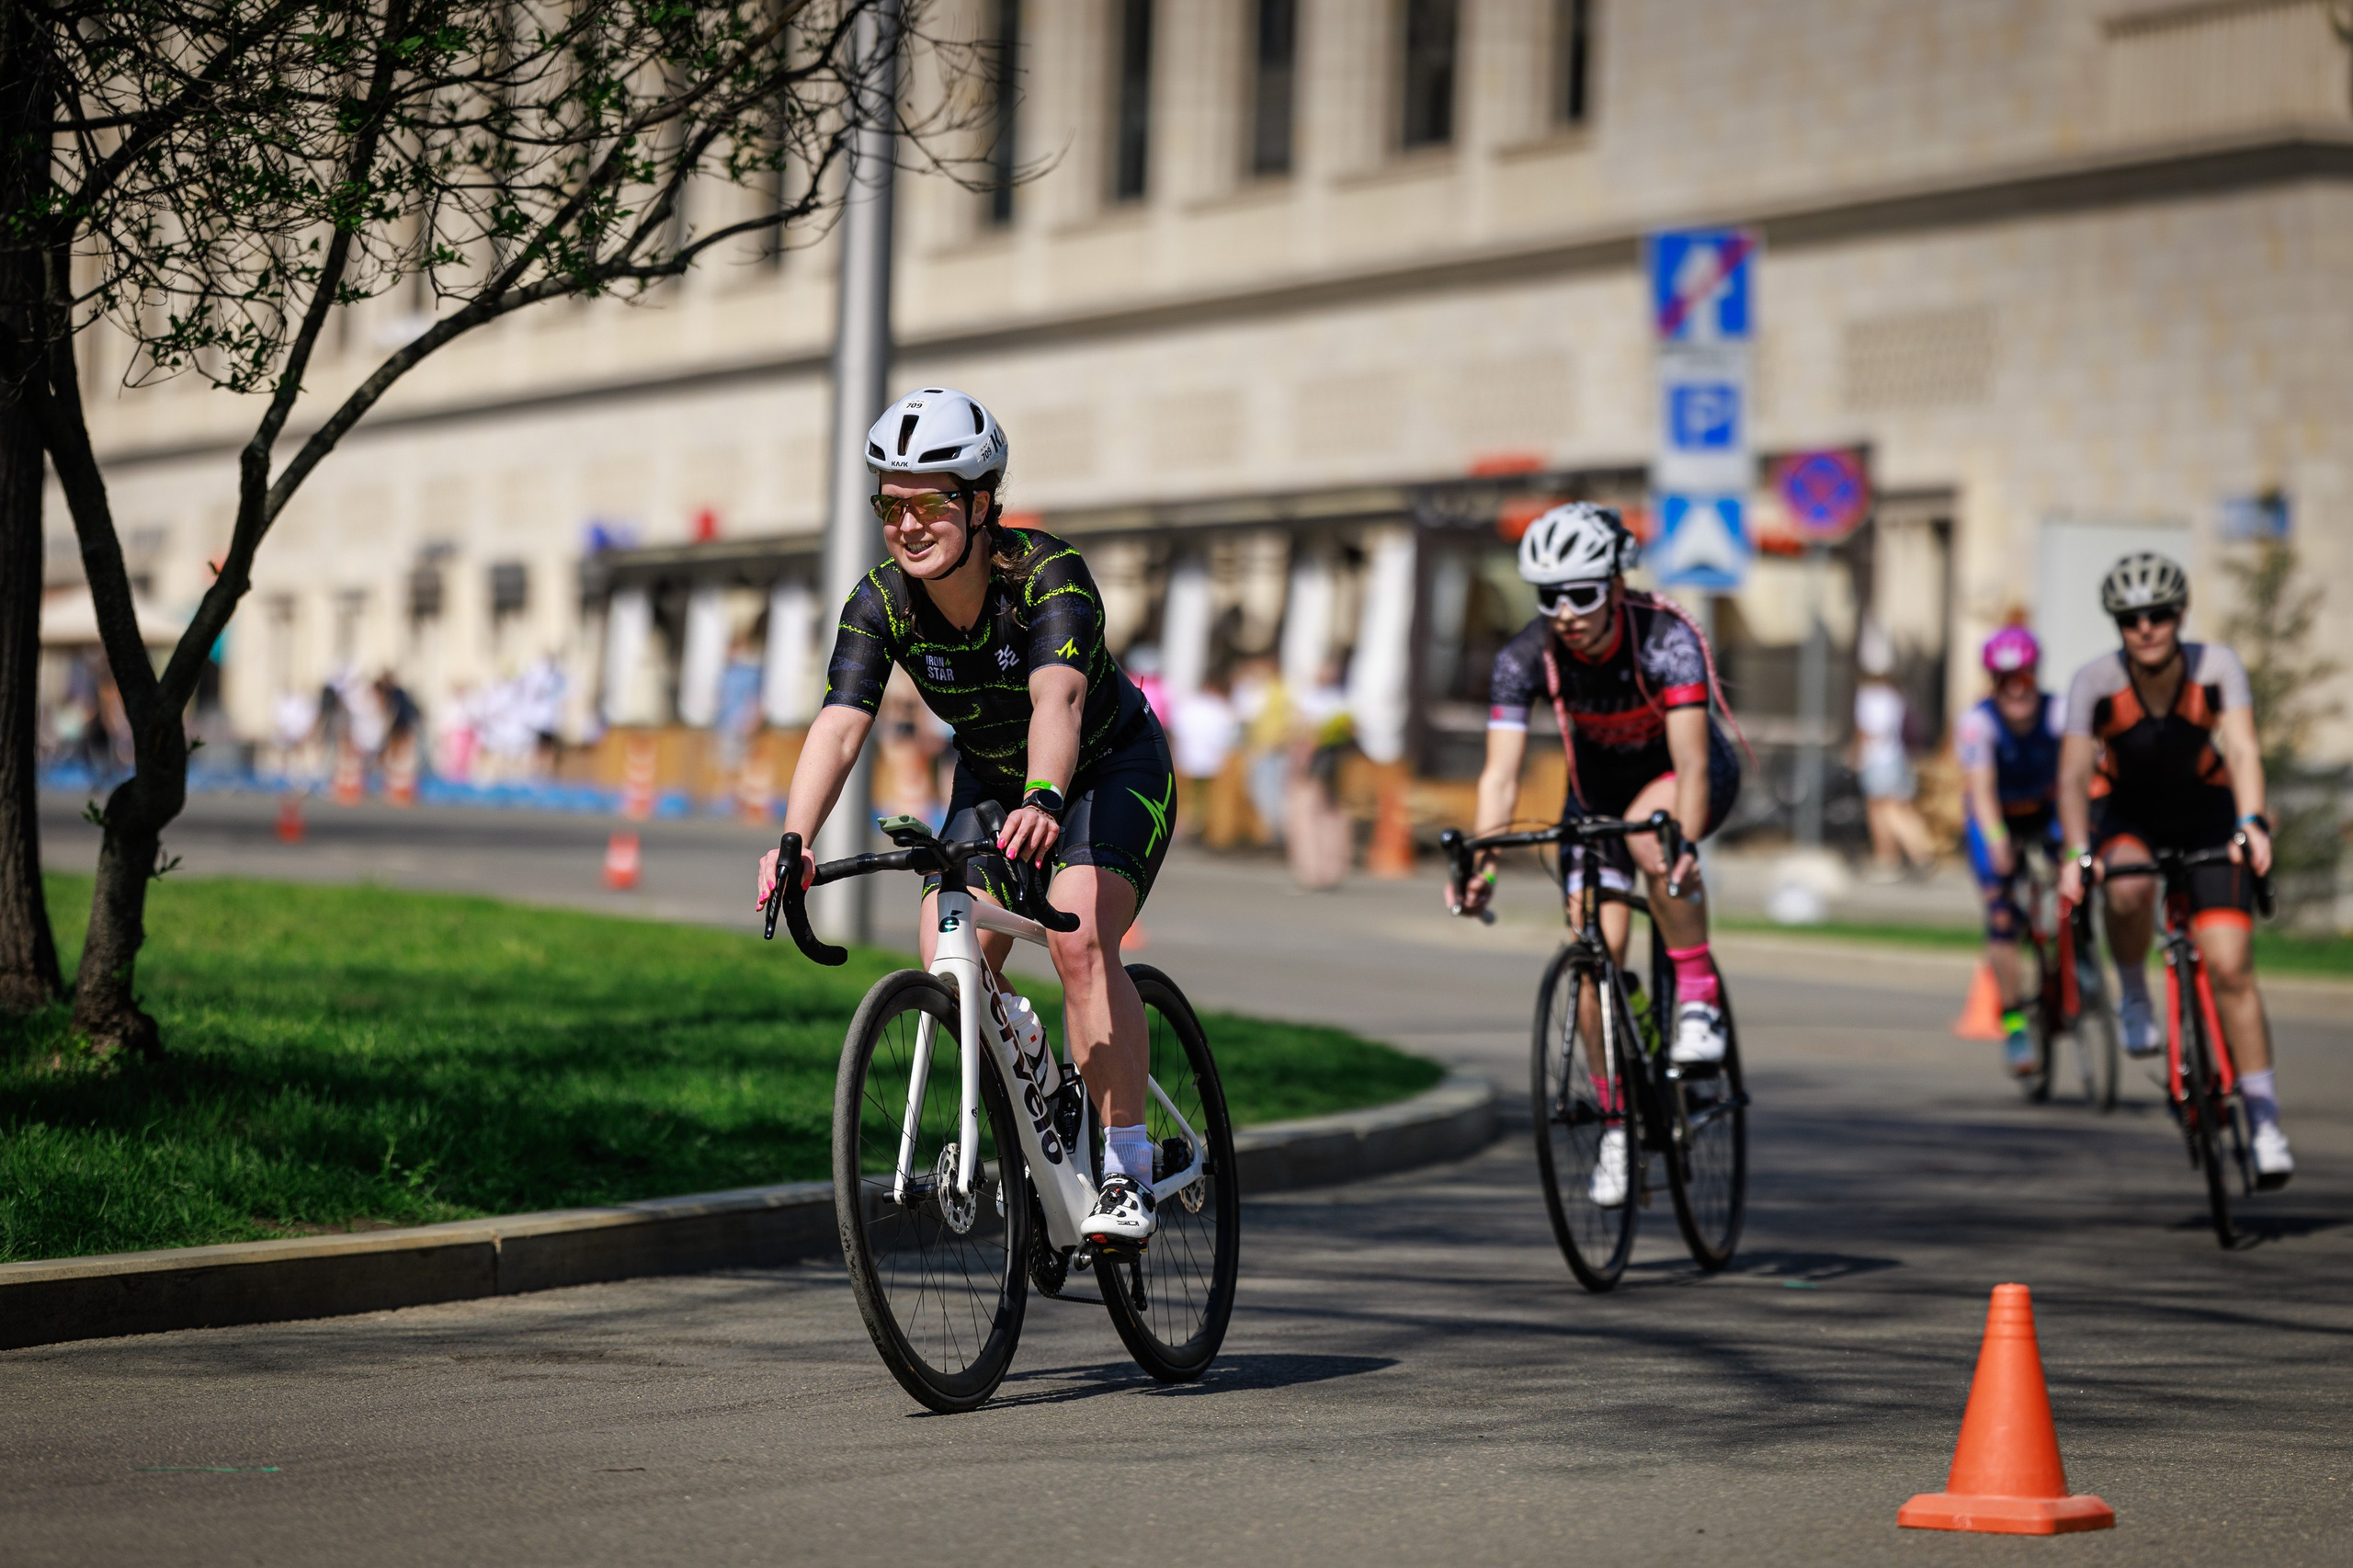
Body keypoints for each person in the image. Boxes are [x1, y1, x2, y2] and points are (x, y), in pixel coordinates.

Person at [753, 387, 1176, 1247]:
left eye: (932, 504)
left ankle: (1127, 1166)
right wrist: (793, 842)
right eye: (892, 507)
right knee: (947, 957)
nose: (909, 525)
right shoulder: (880, 602)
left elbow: (1058, 700)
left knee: (1079, 938)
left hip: (1105, 768)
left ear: (982, 504)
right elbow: (840, 726)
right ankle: (1042, 1071)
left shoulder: (1048, 574)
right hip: (990, 779)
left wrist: (1046, 797)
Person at [1452, 503, 1743, 1207]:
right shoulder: (1524, 657)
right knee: (1592, 959)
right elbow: (1499, 776)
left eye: (1582, 593)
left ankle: (1697, 997)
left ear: (1616, 584)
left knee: (1653, 836)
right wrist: (1481, 861)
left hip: (1683, 777)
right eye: (1549, 595)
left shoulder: (1666, 639)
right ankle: (1619, 1124)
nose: (1566, 612)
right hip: (1596, 800)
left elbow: (1692, 762)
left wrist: (1683, 843)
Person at [2056, 551, 2292, 1187]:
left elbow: (2241, 748)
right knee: (2129, 886)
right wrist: (2076, 853)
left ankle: (2265, 1122)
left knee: (2231, 966)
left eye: (2158, 614)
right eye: (2131, 619)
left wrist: (2252, 821)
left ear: (2180, 615)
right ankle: (2135, 994)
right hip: (2127, 817)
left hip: (2208, 815)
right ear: (2117, 625)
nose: (2146, 628)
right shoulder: (2095, 681)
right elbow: (2073, 776)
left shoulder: (2216, 667)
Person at [1956, 625, 2066, 1075]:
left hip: (2047, 811)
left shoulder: (2060, 713)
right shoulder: (1978, 722)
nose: (2016, 690)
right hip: (1996, 817)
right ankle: (2016, 1023)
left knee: (2077, 878)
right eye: (2005, 681)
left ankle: (2077, 960)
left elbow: (2080, 776)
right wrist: (1998, 838)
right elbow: (1981, 791)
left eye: (2024, 677)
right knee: (2003, 919)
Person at [1853, 627, 1937, 879]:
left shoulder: (1870, 696)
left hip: (1878, 760)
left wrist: (1856, 752)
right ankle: (1919, 852)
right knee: (1899, 808)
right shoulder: (1897, 694)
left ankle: (1891, 858)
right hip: (1897, 758)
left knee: (1883, 810)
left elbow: (1869, 731)